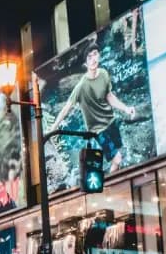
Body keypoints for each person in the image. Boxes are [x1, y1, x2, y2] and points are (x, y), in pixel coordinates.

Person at [49, 44, 137, 172]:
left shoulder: (104, 74)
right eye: (89, 57)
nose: (93, 59)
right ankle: (110, 186)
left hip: (111, 122)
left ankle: (112, 179)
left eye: (95, 54)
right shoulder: (81, 86)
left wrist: (126, 108)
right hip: (98, 130)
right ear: (85, 63)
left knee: (119, 155)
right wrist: (53, 128)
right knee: (117, 159)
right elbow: (67, 108)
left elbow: (109, 96)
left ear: (99, 55)